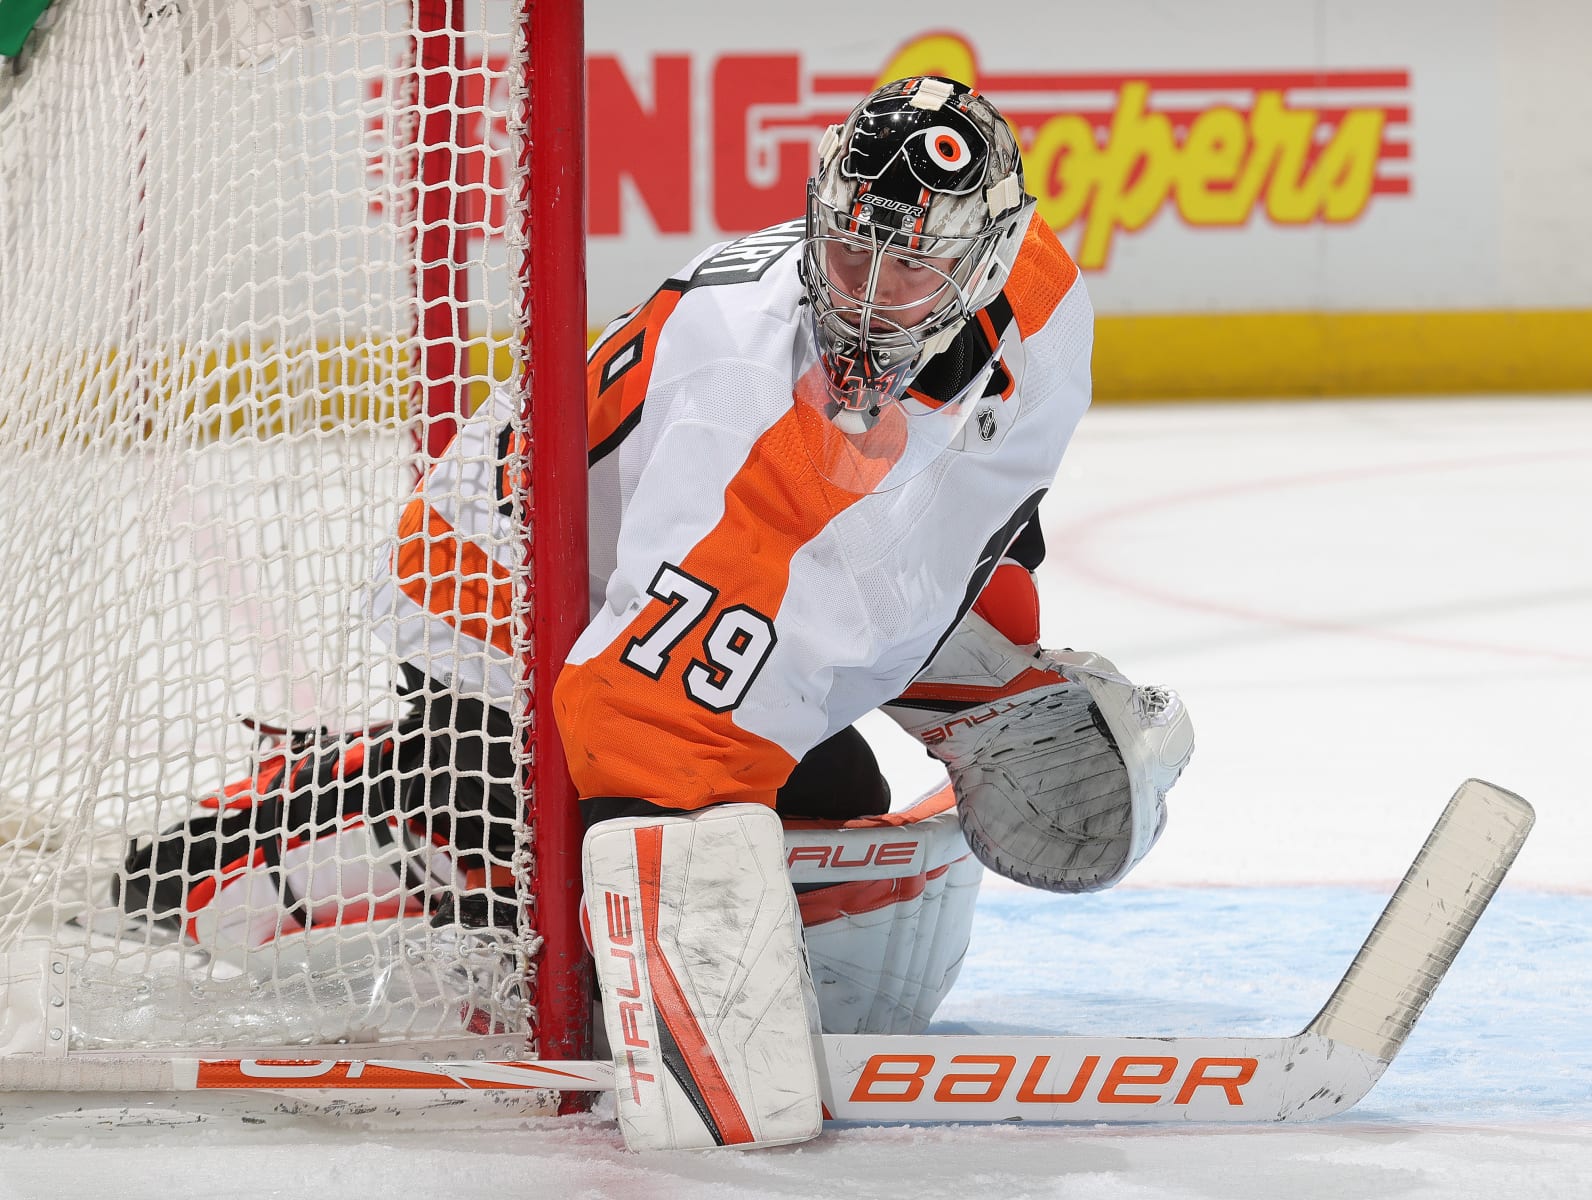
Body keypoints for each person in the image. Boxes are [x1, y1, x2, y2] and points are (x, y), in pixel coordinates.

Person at [118, 76, 1193, 1151]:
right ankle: (382, 800)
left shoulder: (1044, 299)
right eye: (851, 250)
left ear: (991, 258)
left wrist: (984, 676)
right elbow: (640, 721)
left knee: (867, 807)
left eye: (910, 264)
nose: (867, 293)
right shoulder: (748, 413)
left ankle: (474, 795)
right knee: (617, 852)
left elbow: (973, 510)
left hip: (695, 564)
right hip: (505, 591)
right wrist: (713, 1058)